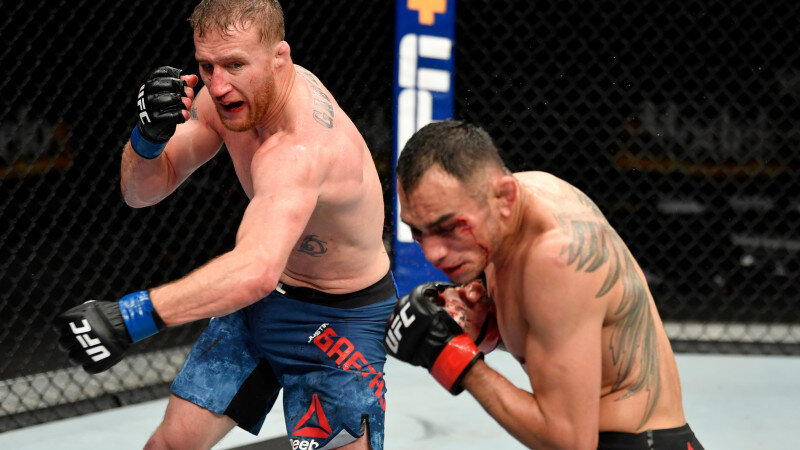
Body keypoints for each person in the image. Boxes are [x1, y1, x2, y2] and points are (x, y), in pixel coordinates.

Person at [54, 1, 396, 449]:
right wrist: (147, 138)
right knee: (169, 446)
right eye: (206, 66)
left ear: (279, 58)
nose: (217, 85)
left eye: (235, 65)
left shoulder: (301, 148)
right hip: (264, 301)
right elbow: (141, 193)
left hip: (340, 322)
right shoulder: (231, 99)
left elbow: (255, 271)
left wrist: (128, 318)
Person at [384, 119, 704, 449]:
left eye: (449, 228)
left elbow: (569, 442)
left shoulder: (556, 257)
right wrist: (487, 326)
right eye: (417, 230)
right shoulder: (511, 205)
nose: (432, 253)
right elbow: (557, 331)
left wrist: (452, 355)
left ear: (504, 197)